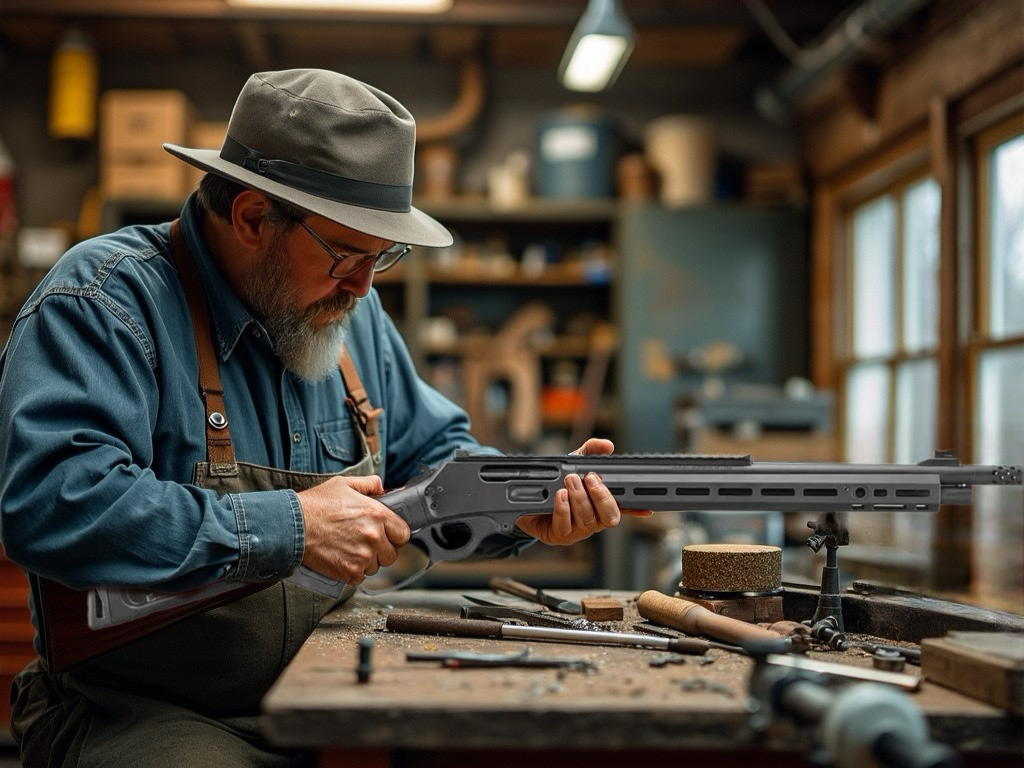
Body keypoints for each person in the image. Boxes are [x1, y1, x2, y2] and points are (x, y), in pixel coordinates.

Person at [0, 69, 645, 766]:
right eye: (347, 253)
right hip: (142, 712)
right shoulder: (103, 303)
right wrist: (294, 526)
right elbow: (53, 505)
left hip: (330, 682)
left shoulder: (346, 316)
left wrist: (521, 501)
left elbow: (437, 453)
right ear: (251, 217)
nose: (365, 286)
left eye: (383, 257)